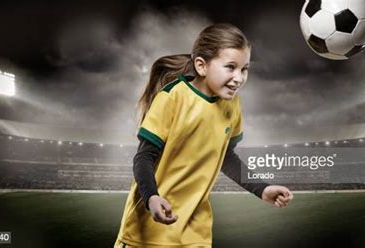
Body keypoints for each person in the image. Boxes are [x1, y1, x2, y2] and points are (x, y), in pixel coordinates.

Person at [115, 23, 293, 247]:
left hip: (196, 234)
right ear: (201, 65)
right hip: (148, 234)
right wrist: (151, 197)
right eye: (230, 67)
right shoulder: (172, 97)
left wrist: (262, 189)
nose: (239, 78)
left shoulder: (232, 105)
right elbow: (143, 157)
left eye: (244, 68)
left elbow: (225, 158)